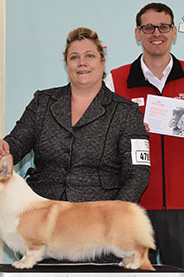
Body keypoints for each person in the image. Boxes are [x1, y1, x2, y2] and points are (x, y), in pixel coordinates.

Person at [0, 27, 150, 233]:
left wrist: (115, 217)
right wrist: (3, 149)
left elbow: (138, 174)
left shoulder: (127, 112)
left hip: (99, 226)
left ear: (102, 62)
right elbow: (16, 144)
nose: (82, 63)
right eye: (74, 57)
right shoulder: (42, 102)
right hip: (42, 222)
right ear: (67, 63)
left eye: (90, 56)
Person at [105, 2, 184, 268]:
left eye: (163, 27)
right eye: (148, 27)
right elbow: (100, 137)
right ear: (137, 34)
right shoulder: (115, 80)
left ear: (174, 32)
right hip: (134, 204)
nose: (156, 33)